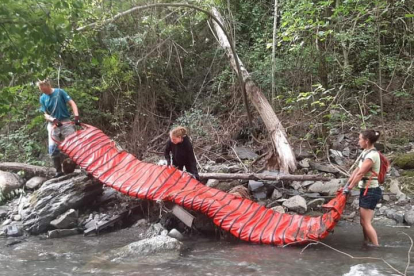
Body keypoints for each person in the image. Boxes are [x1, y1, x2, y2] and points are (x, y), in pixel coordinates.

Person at [344, 129, 382, 246]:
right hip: (367, 190)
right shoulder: (365, 152)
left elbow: (361, 174)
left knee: (366, 222)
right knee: (363, 221)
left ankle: (376, 247)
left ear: (366, 141)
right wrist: (347, 184)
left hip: (370, 191)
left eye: (360, 139)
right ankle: (367, 243)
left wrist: (349, 188)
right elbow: (356, 170)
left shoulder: (371, 156)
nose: (358, 141)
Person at [38, 79, 81, 178]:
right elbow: (45, 114)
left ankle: (80, 167)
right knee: (53, 148)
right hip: (53, 124)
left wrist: (76, 117)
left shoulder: (59, 92)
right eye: (42, 90)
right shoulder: (43, 98)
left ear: (48, 86)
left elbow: (72, 103)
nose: (44, 92)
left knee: (75, 144)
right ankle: (58, 171)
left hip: (65, 121)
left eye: (45, 90)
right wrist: (53, 120)